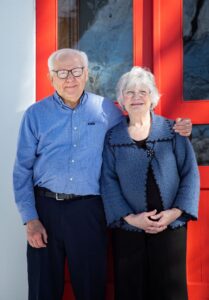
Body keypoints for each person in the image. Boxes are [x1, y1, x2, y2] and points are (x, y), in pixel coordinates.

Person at [13, 49, 192, 300]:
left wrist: (177, 126)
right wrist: (30, 219)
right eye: (61, 73)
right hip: (45, 211)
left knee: (90, 289)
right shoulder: (35, 115)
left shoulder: (106, 110)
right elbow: (22, 170)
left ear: (86, 74)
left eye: (76, 71)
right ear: (50, 77)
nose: (70, 78)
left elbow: (140, 122)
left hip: (89, 211)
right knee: (43, 289)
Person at [101, 67, 200, 300]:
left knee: (170, 289)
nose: (136, 97)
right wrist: (131, 219)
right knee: (130, 289)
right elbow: (108, 181)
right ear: (121, 100)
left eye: (143, 92)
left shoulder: (172, 131)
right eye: (130, 92)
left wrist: (174, 213)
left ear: (153, 98)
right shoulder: (113, 138)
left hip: (170, 227)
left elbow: (190, 174)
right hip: (128, 230)